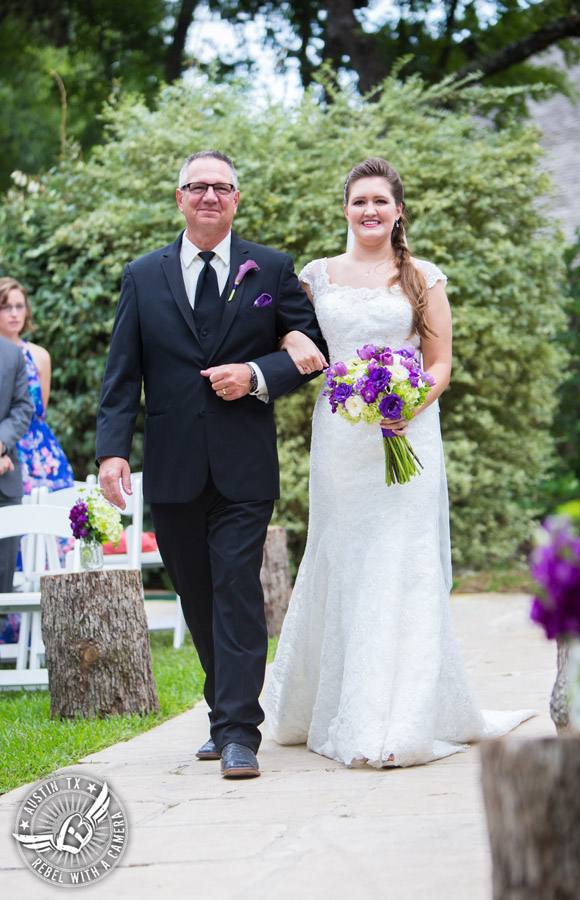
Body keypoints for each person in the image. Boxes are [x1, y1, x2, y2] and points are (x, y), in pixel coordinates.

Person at [265, 157, 536, 768]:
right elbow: (289, 332)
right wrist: (295, 341)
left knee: (403, 560)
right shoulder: (316, 276)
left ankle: (404, 714)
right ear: (345, 208)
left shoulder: (421, 278)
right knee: (346, 554)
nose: (369, 211)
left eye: (380, 202)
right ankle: (337, 704)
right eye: (359, 201)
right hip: (342, 442)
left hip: (409, 433)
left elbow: (440, 363)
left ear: (398, 210)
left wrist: (410, 399)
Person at [96, 150, 327, 779]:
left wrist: (255, 374)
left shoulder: (271, 269)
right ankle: (222, 708)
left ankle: (237, 733)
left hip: (243, 465)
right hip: (171, 466)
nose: (209, 197)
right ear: (179, 199)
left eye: (221, 188)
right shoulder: (142, 276)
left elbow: (315, 352)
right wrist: (112, 450)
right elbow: (122, 378)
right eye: (197, 188)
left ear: (236, 199)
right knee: (196, 594)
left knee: (235, 587)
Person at [0, 278, 74, 496]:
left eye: (19, 306)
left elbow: (38, 409)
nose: (14, 313)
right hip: (8, 448)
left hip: (38, 448)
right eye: (6, 307)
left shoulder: (39, 356)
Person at [0, 335, 34, 598]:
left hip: (5, 481)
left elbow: (23, 407)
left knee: (3, 576)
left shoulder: (12, 354)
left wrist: (1, 445)